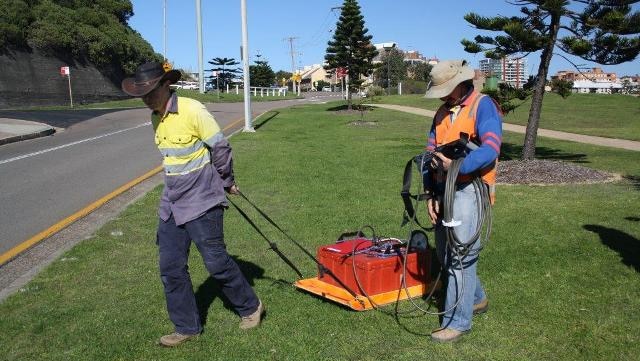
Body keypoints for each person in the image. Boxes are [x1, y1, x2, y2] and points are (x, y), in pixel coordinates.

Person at [122, 62, 264, 347]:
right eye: (143, 93)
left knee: (216, 262)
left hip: (202, 199)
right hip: (173, 201)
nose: (147, 97)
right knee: (171, 267)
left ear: (165, 85)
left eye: (151, 91)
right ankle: (186, 326)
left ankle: (250, 307)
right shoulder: (155, 117)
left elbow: (220, 148)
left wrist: (226, 181)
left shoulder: (192, 109)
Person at [422, 60, 502, 342]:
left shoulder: (484, 106)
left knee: (461, 257)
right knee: (446, 254)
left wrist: (456, 166)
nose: (442, 95)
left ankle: (458, 323)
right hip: (444, 190)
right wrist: (430, 192)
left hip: (470, 190)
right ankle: (477, 298)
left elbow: (491, 148)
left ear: (458, 83)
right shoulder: (442, 112)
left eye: (445, 89)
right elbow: (429, 153)